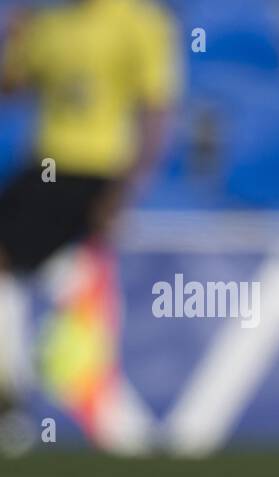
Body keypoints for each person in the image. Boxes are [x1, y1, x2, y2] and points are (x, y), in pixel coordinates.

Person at [0, 0, 179, 445]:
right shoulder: (51, 21)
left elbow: (156, 110)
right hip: (43, 168)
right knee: (53, 278)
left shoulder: (140, 21)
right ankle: (37, 393)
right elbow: (12, 86)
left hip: (92, 170)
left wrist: (125, 189)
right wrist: (16, 41)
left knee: (11, 269)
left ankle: (10, 401)